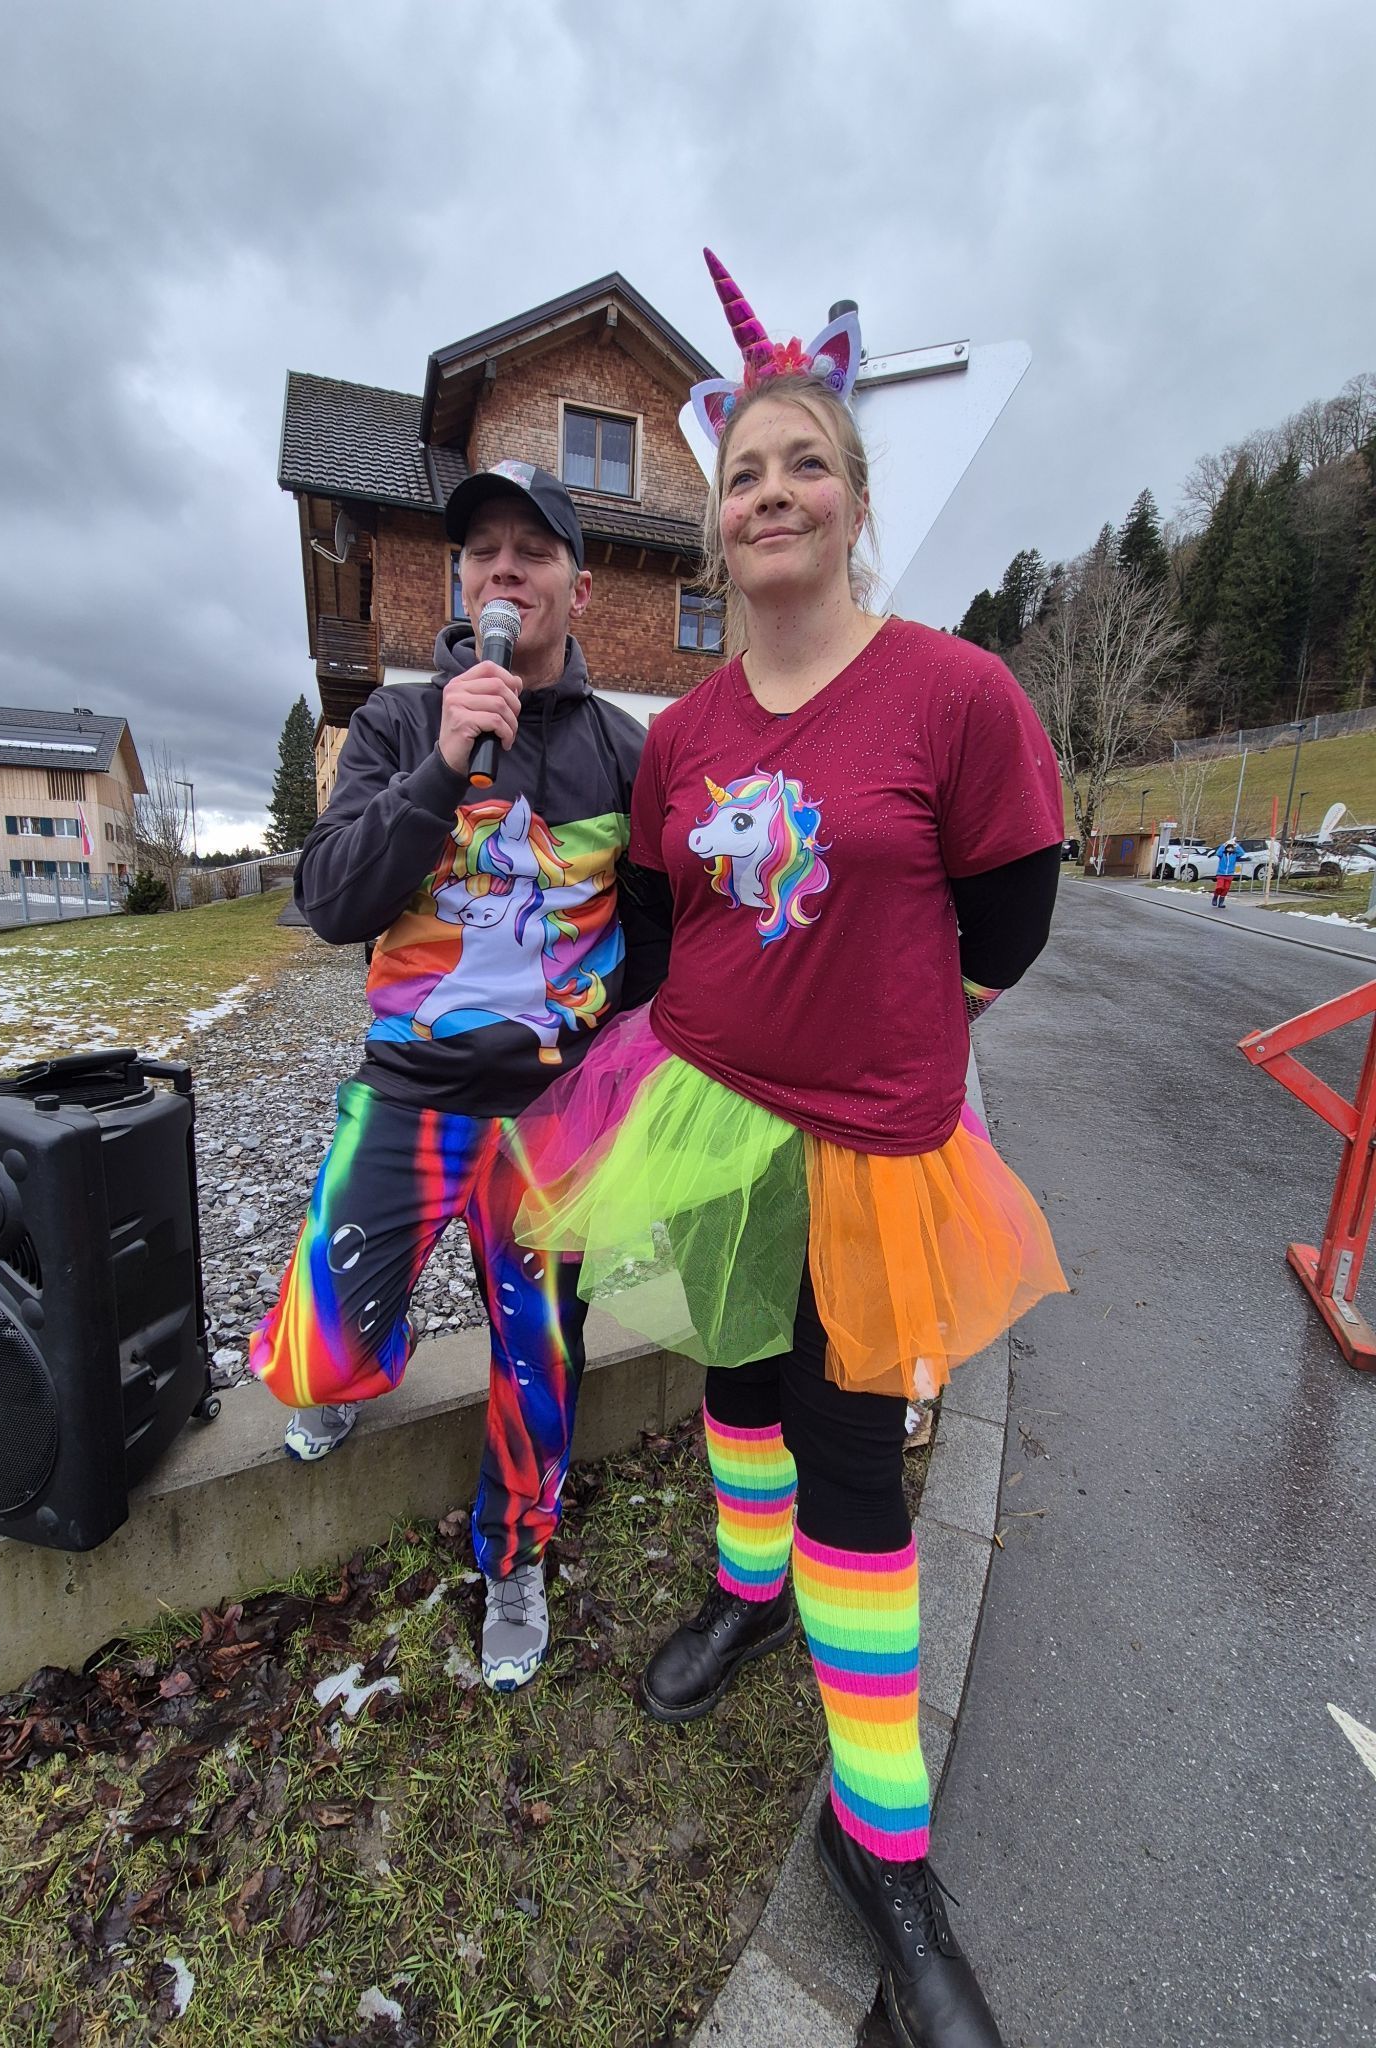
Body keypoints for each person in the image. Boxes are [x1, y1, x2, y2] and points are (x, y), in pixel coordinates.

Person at [510, 252, 1067, 2048]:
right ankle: (744, 1597)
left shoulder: (955, 696)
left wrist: (895, 1023)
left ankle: (880, 1840)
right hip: (711, 1118)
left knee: (851, 1467)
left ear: (851, 503)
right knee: (734, 1381)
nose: (769, 494)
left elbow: (1010, 917)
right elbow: (666, 937)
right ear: (716, 516)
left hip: (871, 1152)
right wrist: (670, 1061)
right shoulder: (681, 735)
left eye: (801, 466)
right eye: (743, 470)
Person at [250, 459, 666, 1692]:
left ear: (576, 590)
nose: (502, 570)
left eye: (530, 552)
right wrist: (439, 768)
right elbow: (329, 904)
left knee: (541, 1352)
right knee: (321, 1343)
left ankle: (515, 1554)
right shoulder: (391, 723)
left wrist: (616, 1075)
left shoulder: (624, 753)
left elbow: (657, 931)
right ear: (461, 583)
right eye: (481, 550)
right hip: (412, 1085)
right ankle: (338, 1382)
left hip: (552, 1109)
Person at [1211, 836, 1242, 908]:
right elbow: (1218, 852)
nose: (1230, 849)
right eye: (1228, 847)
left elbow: (1241, 853)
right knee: (1220, 887)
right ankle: (1215, 898)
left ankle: (1221, 902)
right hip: (1221, 874)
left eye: (1231, 847)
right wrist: (1224, 844)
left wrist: (1235, 845)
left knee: (1226, 888)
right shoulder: (1222, 855)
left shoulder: (1234, 855)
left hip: (1230, 874)